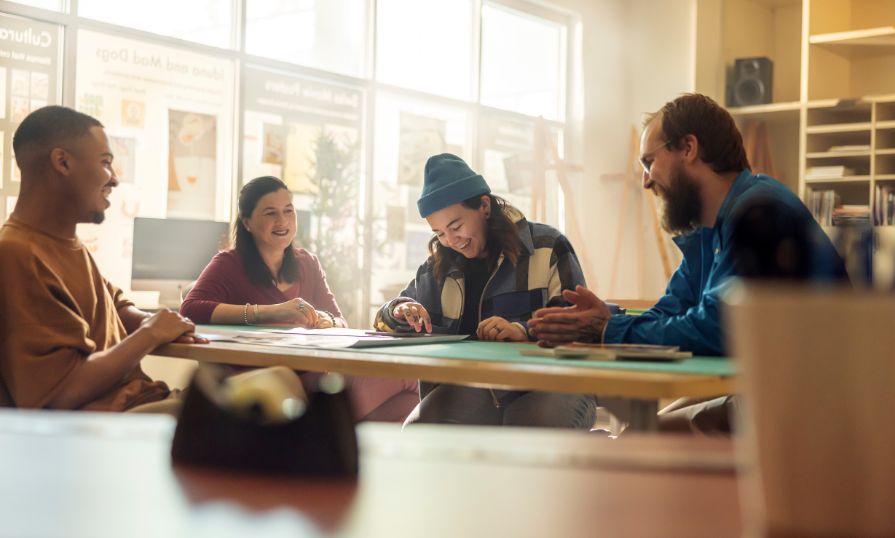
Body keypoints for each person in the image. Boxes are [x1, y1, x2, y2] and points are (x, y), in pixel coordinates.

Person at [528, 93, 847, 432]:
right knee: (641, 432)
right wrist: (605, 320)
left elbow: (720, 328)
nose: (647, 180)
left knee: (644, 438)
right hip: (766, 386)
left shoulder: (760, 213)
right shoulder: (711, 229)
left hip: (809, 403)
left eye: (649, 161)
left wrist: (607, 330)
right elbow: (673, 309)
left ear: (689, 148)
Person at [0, 106, 205, 412]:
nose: (115, 179)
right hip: (113, 422)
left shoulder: (67, 244)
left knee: (281, 382)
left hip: (145, 400)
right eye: (106, 162)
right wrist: (150, 334)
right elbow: (57, 394)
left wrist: (150, 321)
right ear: (62, 162)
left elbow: (114, 304)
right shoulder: (16, 253)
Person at [374, 153, 597, 428]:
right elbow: (389, 317)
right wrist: (399, 310)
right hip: (475, 388)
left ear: (484, 206)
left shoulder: (548, 247)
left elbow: (580, 325)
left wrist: (523, 331)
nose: (451, 241)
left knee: (528, 435)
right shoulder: (438, 267)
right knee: (418, 435)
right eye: (440, 233)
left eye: (456, 226)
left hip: (551, 383)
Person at [181, 175, 418, 422]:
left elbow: (339, 320)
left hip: (315, 377)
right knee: (406, 383)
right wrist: (271, 312)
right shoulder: (228, 264)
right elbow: (190, 308)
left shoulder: (307, 263)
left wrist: (326, 320)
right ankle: (319, 438)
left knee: (411, 386)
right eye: (270, 213)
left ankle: (326, 445)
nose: (282, 221)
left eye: (288, 210)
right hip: (267, 384)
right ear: (248, 222)